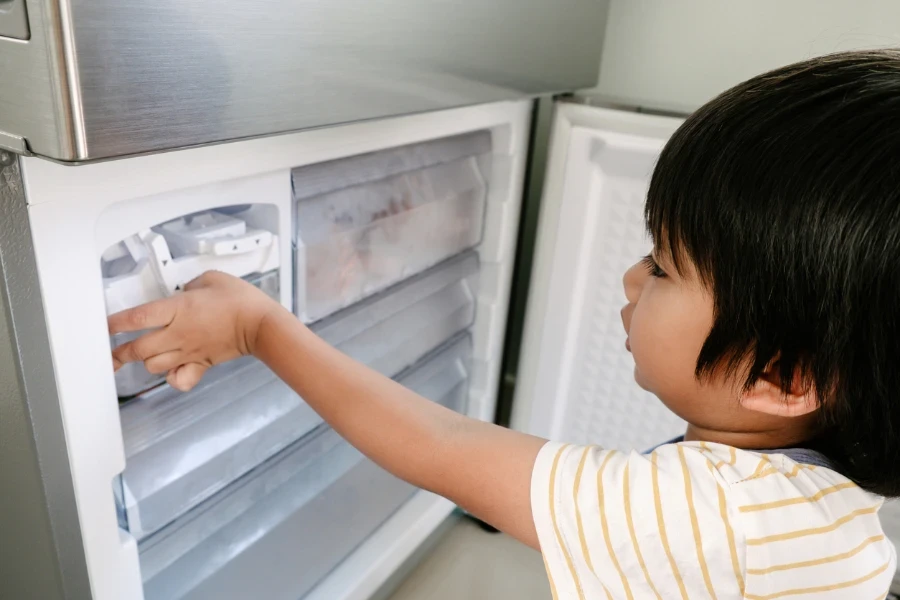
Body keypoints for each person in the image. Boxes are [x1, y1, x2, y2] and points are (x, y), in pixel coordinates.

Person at [109, 50, 900, 599]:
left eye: (662, 266)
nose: (631, 275)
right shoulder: (821, 510)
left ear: (785, 376)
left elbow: (443, 449)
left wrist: (259, 327)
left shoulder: (720, 525)